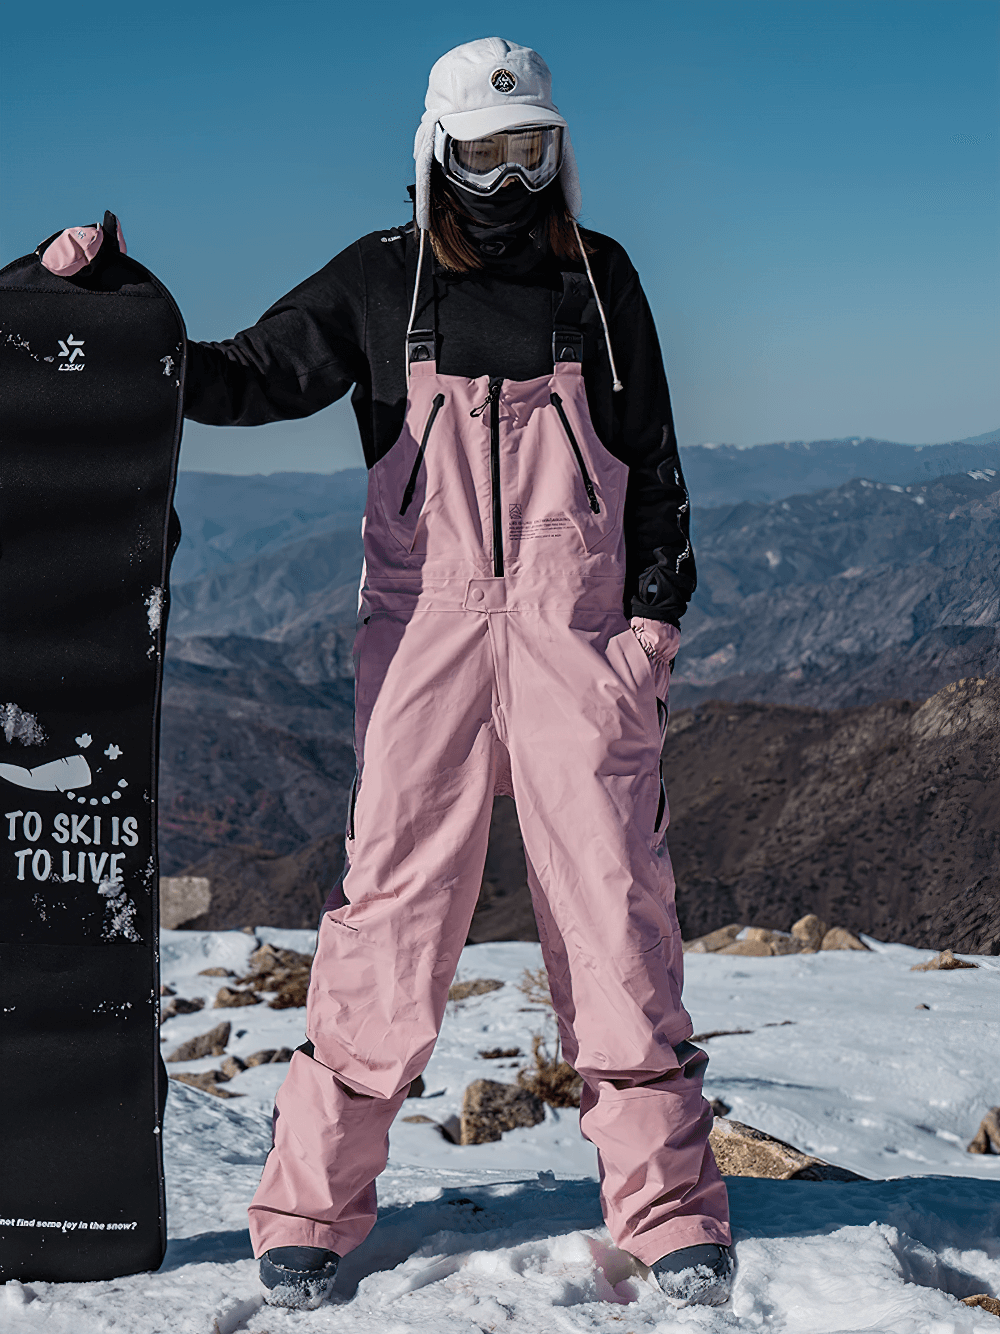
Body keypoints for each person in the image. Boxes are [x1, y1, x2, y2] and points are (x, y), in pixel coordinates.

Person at [183, 37, 733, 1311]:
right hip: (423, 642)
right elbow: (245, 377)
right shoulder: (384, 281)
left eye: (529, 148)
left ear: (559, 151)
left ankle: (665, 1208)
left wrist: (650, 629)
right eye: (484, 154)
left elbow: (653, 461)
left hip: (577, 643)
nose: (509, 179)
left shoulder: (598, 281)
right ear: (437, 153)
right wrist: (106, 312)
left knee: (616, 915)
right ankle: (310, 1207)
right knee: (389, 915)